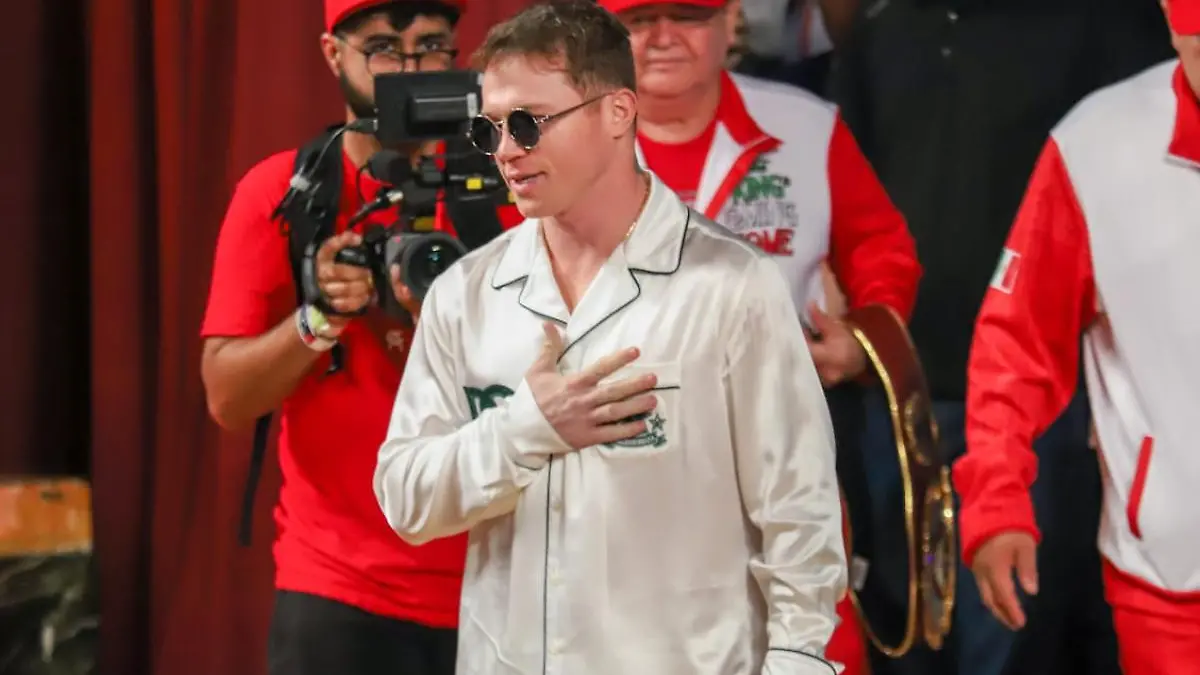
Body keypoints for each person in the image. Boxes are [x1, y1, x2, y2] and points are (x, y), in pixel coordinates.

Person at [373, 1, 847, 673]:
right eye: (491, 128)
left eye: (530, 123)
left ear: (617, 112)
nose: (507, 149)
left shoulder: (733, 285)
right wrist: (523, 429)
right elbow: (407, 500)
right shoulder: (465, 292)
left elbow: (801, 520)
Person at [829, 1, 1174, 674]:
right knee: (902, 628)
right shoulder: (882, 33)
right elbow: (845, 198)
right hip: (896, 388)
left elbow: (1145, 194)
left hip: (1041, 393)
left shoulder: (1100, 25)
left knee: (1016, 632)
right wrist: (854, 322)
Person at [597, 0, 920, 671]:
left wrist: (862, 339)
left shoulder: (802, 126)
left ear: (729, 20)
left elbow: (883, 248)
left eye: (685, 15)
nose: (661, 38)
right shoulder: (565, 136)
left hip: (785, 465)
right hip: (619, 479)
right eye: (638, 19)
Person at [198, 1, 494, 673]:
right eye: (385, 47)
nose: (411, 67)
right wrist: (319, 314)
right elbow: (227, 397)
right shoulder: (285, 193)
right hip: (340, 585)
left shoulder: (505, 186)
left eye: (432, 46)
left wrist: (452, 317)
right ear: (334, 54)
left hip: (500, 575)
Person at [956, 1, 1200, 672]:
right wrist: (998, 496)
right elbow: (1016, 341)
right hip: (1173, 583)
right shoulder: (1098, 144)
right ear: (1174, 21)